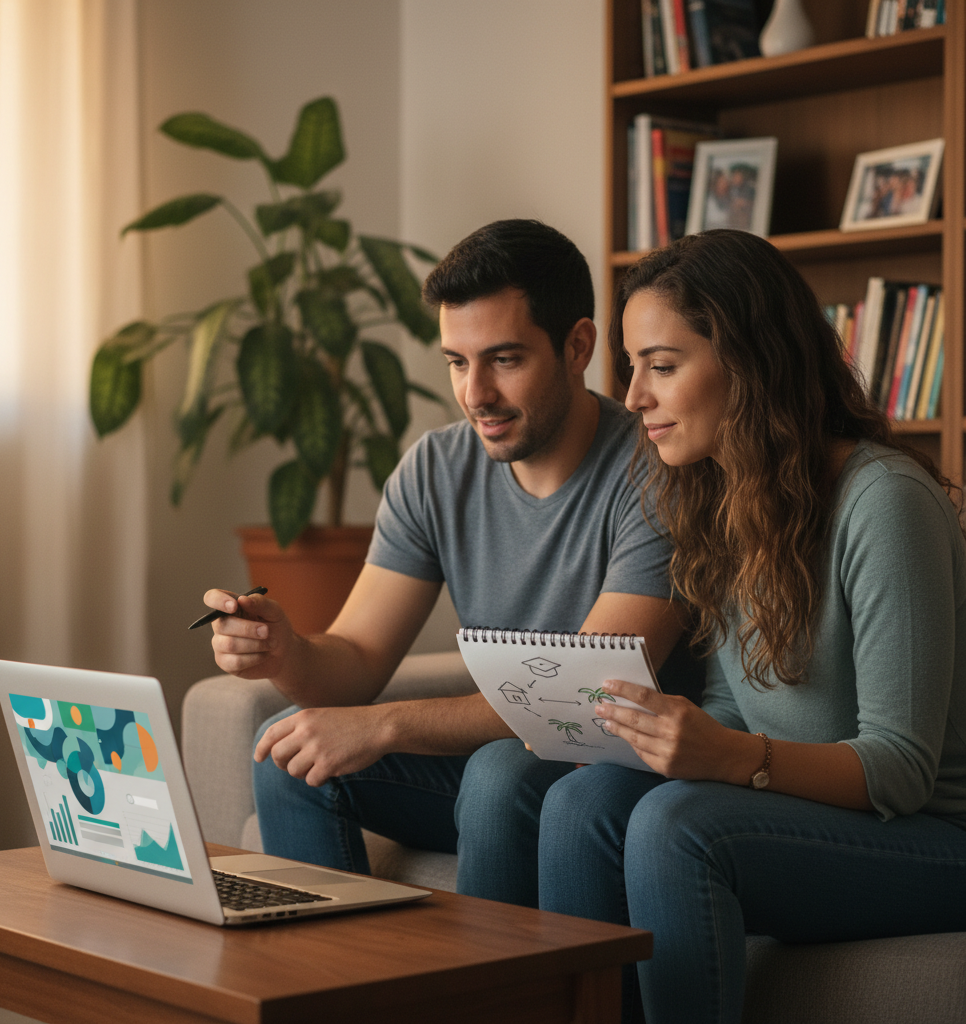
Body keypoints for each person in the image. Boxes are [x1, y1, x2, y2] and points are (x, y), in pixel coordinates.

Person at [475, 228, 966, 1023]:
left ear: (751, 363)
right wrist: (645, 733)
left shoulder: (886, 502)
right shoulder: (722, 499)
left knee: (678, 825)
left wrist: (725, 756)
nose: (633, 396)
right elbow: (739, 707)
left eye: (662, 367)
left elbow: (901, 769)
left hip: (930, 837)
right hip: (812, 817)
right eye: (633, 367)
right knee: (580, 802)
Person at [201, 219, 694, 890]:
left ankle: (481, 997)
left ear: (577, 346)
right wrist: (286, 650)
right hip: (504, 763)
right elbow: (355, 661)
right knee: (288, 750)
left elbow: (580, 698)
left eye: (505, 359)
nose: (475, 394)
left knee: (498, 774)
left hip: (608, 772)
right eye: (458, 363)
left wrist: (386, 726)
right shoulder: (434, 469)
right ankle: (329, 992)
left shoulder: (655, 469)